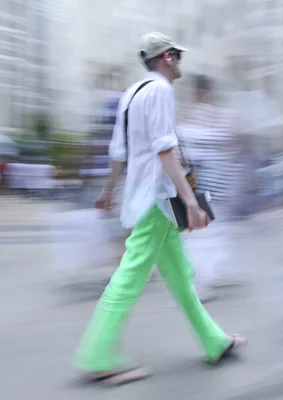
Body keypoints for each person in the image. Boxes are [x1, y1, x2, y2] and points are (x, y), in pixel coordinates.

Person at [74, 32, 246, 386]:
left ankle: (214, 341)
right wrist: (190, 201)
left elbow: (118, 150)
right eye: (177, 55)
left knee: (180, 275)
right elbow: (165, 150)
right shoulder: (162, 92)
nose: (180, 61)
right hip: (158, 199)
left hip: (144, 197)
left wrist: (109, 191)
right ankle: (98, 355)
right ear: (167, 57)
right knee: (130, 275)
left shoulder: (131, 93)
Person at [178, 74, 248, 292]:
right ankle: (223, 271)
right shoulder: (225, 117)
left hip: (199, 184)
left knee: (198, 234)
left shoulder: (191, 119)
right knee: (218, 230)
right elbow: (236, 146)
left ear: (199, 92)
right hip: (223, 183)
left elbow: (181, 154)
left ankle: (201, 282)